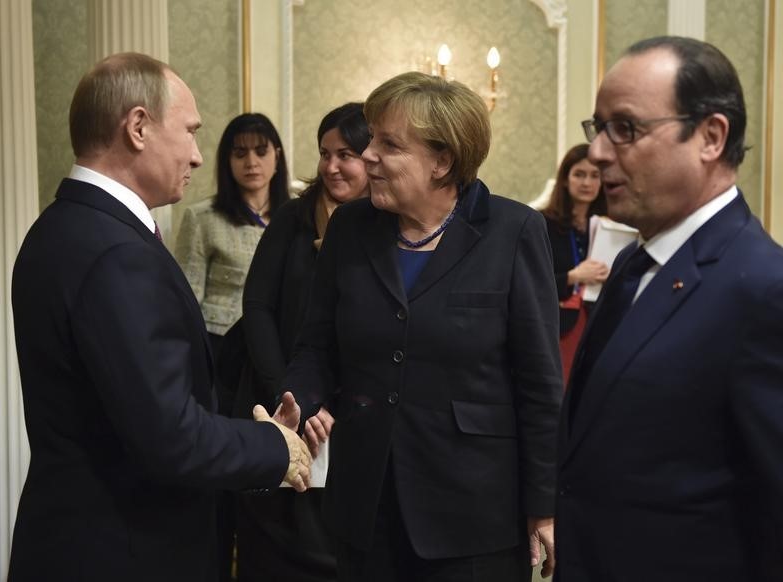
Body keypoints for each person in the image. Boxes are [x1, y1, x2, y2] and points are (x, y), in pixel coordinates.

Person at [8, 52, 311, 582]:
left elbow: (139, 407)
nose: (197, 156)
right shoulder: (116, 252)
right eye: (190, 132)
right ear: (139, 127)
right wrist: (272, 448)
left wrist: (242, 434)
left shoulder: (64, 225)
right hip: (125, 548)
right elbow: (169, 437)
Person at [283, 72, 563, 582]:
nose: (367, 157)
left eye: (388, 145)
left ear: (442, 161)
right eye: (372, 140)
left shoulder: (514, 231)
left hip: (474, 510)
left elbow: (540, 383)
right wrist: (296, 404)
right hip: (366, 504)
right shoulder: (350, 228)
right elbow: (315, 346)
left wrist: (543, 504)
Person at [555, 36, 783, 582]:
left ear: (710, 136)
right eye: (599, 128)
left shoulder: (762, 288)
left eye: (626, 129)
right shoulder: (635, 264)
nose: (599, 153)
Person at [236, 102, 371, 582]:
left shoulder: (386, 224)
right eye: (324, 153)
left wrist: (334, 402)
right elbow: (257, 308)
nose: (332, 166)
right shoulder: (293, 218)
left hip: (354, 406)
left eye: (346, 154)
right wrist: (291, 395)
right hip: (282, 396)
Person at [175, 113, 289, 358]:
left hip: (281, 345)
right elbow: (187, 300)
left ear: (277, 157)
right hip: (221, 345)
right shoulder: (202, 217)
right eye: (240, 153)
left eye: (261, 151)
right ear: (227, 160)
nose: (251, 162)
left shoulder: (297, 216)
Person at [541, 144, 608, 386]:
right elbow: (533, 283)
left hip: (600, 320)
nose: (587, 183)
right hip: (560, 322)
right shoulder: (543, 224)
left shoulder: (611, 226)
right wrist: (573, 276)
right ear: (566, 180)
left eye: (594, 175)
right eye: (579, 174)